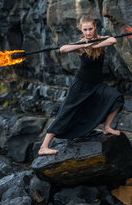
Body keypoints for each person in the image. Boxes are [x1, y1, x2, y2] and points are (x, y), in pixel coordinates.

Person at [38, 15, 124, 155]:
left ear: (95, 26)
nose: (88, 32)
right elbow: (63, 49)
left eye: (90, 29)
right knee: (65, 113)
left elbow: (112, 40)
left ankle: (107, 127)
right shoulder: (80, 45)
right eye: (85, 30)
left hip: (96, 85)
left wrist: (96, 44)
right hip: (81, 85)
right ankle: (44, 146)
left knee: (117, 98)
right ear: (81, 29)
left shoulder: (100, 39)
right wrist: (84, 45)